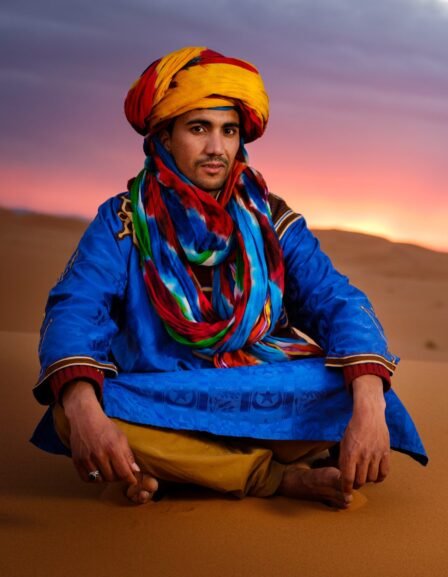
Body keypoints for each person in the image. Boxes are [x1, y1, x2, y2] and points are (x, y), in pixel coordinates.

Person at [30, 46, 426, 509]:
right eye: (199, 128)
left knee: (354, 389)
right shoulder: (123, 221)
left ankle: (179, 468)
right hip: (165, 393)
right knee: (72, 411)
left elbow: (335, 298)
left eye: (229, 131)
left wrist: (367, 401)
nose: (217, 148)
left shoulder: (270, 219)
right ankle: (270, 477)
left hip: (259, 384)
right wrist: (83, 409)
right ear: (164, 136)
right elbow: (76, 308)